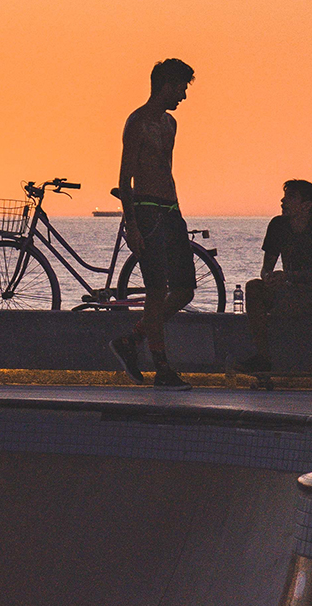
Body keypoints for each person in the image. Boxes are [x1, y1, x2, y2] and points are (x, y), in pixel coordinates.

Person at [110, 59, 197, 389]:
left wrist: (175, 209)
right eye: (181, 88)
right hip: (145, 210)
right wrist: (131, 224)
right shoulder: (137, 123)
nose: (184, 96)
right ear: (167, 86)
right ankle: (162, 368)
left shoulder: (170, 124)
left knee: (185, 289)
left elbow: (166, 169)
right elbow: (124, 177)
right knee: (157, 290)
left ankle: (132, 340)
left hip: (171, 209)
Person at [234, 180, 312, 378]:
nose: (283, 200)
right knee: (253, 287)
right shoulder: (277, 225)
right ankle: (263, 358)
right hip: (296, 292)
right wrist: (269, 278)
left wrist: (289, 276)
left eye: (291, 197)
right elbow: (266, 267)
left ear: (306, 205)